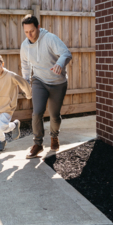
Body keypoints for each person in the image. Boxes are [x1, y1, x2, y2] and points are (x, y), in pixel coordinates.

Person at [20, 14, 72, 159]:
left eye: (32, 31)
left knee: (54, 115)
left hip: (57, 83)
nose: (29, 35)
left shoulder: (50, 38)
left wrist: (59, 64)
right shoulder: (24, 46)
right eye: (26, 32)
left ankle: (54, 137)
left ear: (38, 27)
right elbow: (25, 66)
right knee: (37, 113)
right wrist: (26, 84)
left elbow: (66, 53)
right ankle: (37, 144)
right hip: (39, 81)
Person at [0, 53, 32, 151]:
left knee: (0, 126)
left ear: (3, 64)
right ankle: (3, 139)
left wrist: (29, 94)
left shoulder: (10, 75)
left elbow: (23, 83)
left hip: (8, 106)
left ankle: (13, 126)